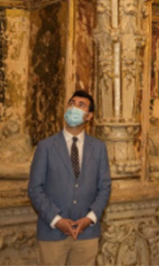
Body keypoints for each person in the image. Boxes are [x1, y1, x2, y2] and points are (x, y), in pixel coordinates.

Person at [28, 91, 112, 266]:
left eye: (81, 105)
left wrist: (89, 218)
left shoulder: (98, 148)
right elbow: (35, 188)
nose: (74, 107)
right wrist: (57, 221)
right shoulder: (46, 146)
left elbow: (104, 187)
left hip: (87, 233)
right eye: (71, 103)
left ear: (89, 116)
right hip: (52, 233)